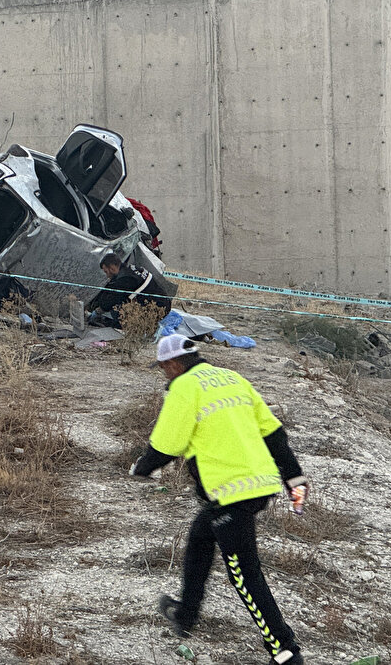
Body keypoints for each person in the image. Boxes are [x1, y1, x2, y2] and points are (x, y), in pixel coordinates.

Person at [129, 335, 308, 665]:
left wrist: (143, 467)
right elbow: (272, 432)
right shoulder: (231, 377)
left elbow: (169, 442)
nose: (164, 374)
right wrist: (293, 476)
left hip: (231, 490)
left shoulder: (184, 387)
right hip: (261, 483)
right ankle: (186, 614)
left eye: (163, 368)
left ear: (171, 364)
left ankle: (285, 651)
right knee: (200, 535)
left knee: (244, 574)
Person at [89, 252, 172, 328]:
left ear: (112, 268)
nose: (107, 275)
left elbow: (109, 302)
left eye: (106, 271)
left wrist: (97, 312)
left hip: (158, 310)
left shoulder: (125, 279)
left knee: (117, 312)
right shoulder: (131, 269)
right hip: (165, 303)